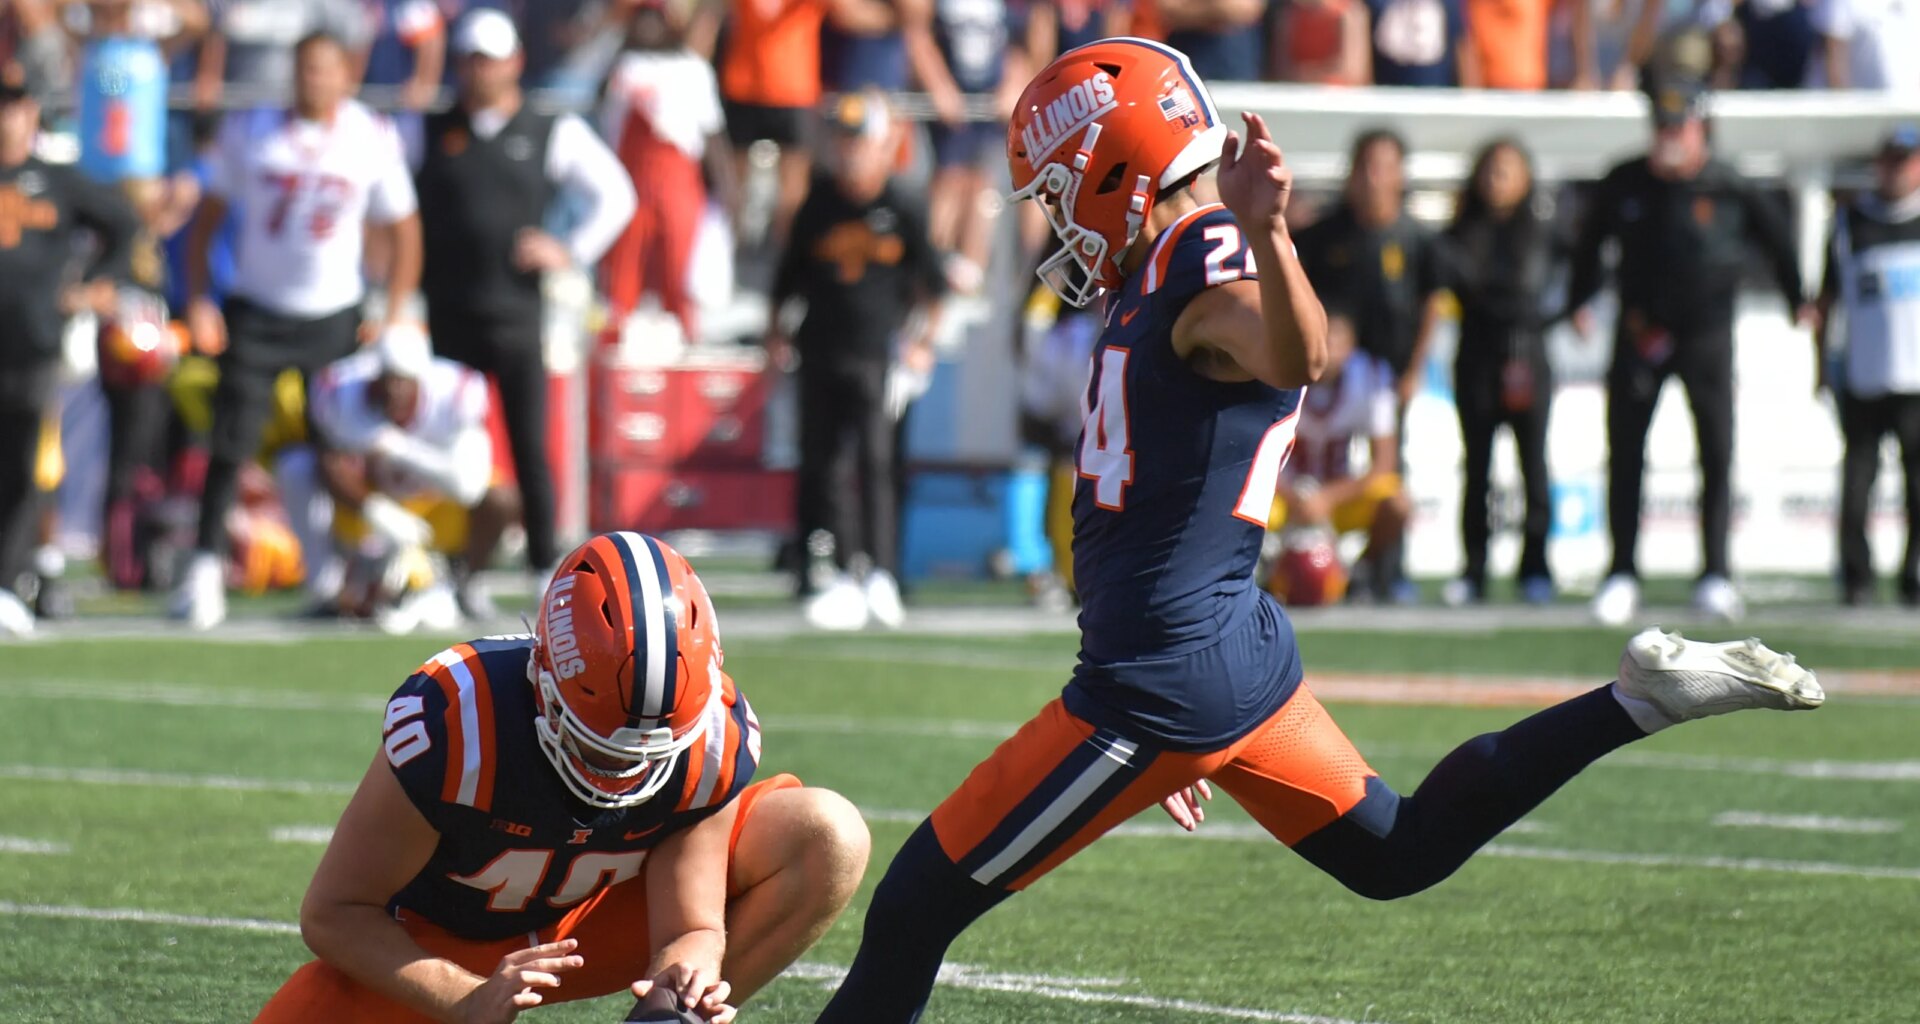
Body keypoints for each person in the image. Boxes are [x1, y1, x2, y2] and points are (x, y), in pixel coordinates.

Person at [810, 39, 1828, 1024]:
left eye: (1059, 189)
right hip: (1217, 655)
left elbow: (1292, 353)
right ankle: (1638, 700)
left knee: (912, 906)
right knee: (1399, 852)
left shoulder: (1204, 253)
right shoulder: (1164, 263)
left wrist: (1270, 234)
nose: (1055, 218)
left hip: (1158, 679)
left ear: (1114, 163)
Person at [251, 530, 871, 1022]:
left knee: (827, 834)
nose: (625, 770)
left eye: (653, 753)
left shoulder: (712, 738)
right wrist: (462, 996)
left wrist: (684, 982)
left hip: (596, 923)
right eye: (598, 747)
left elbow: (691, 925)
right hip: (437, 947)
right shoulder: (462, 720)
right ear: (542, 679)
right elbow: (335, 912)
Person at [169, 30, 423, 630]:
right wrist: (201, 299)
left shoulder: (370, 134)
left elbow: (405, 229)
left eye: (326, 69)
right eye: (306, 69)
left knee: (335, 453)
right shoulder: (251, 129)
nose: (315, 80)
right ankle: (204, 570)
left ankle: (349, 570)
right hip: (258, 308)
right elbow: (206, 221)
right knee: (230, 444)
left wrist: (393, 309)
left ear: (346, 75)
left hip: (334, 313)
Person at [1564, 61, 1810, 626]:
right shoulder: (1625, 181)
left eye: (1680, 127)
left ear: (1702, 129)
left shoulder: (1729, 185)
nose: (1670, 138)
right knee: (1626, 452)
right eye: (1662, 127)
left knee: (1715, 451)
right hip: (1640, 332)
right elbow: (1589, 247)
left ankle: (1716, 573)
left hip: (1707, 336)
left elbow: (1780, 241)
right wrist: (1579, 299)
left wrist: (1799, 297)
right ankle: (1621, 572)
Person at [417, 8, 635, 583]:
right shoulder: (430, 130)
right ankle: (454, 568)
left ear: (514, 62)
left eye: (489, 60)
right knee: (450, 450)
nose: (479, 72)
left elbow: (616, 194)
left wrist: (568, 249)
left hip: (515, 311)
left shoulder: (547, 129)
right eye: (470, 60)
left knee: (529, 446)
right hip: (448, 311)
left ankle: (544, 567)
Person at [767, 92, 946, 632]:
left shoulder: (903, 204)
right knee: (824, 464)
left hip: (878, 355)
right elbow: (786, 280)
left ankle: (882, 572)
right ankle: (843, 569)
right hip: (820, 349)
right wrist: (774, 334)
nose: (849, 152)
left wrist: (923, 342)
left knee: (877, 463)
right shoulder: (818, 203)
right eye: (842, 140)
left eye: (858, 141)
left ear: (882, 146)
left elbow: (933, 285)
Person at [0, 70, 141, 636]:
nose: (5, 118)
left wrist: (97, 283)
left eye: (13, 106)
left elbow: (125, 224)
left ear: (31, 114)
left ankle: (11, 581)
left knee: (23, 465)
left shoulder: (56, 180)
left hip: (32, 344)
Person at [308, 323, 520, 628]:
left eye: (402, 382)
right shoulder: (342, 392)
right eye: (387, 381)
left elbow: (468, 485)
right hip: (374, 509)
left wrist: (400, 450)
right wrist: (378, 511)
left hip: (438, 505)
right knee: (296, 466)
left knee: (501, 498)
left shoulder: (455, 394)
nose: (393, 391)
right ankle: (326, 588)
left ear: (421, 380)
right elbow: (329, 464)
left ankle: (467, 583)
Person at [1442, 138, 1557, 606]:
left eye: (1507, 170)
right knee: (1477, 466)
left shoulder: (1544, 230)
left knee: (1534, 465)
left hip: (1528, 354)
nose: (1497, 180)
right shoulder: (1461, 231)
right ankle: (1474, 570)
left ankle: (1536, 568)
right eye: (1490, 170)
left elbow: (1583, 270)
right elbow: (1447, 280)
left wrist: (1557, 315)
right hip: (1478, 356)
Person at [1817, 125, 1920, 607]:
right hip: (1865, 375)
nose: (1897, 171)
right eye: (1891, 160)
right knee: (1858, 480)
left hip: (1916, 378)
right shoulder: (1850, 223)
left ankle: (1913, 573)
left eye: (1907, 160)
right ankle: (1855, 576)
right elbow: (1827, 301)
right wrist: (1820, 365)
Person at [599, 0, 732, 344]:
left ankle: (686, 342)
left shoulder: (694, 69)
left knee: (679, 268)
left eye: (654, 19)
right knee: (623, 273)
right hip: (629, 184)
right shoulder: (624, 67)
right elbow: (608, 126)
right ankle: (617, 343)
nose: (647, 27)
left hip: (678, 181)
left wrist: (729, 189)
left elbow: (712, 134)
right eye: (641, 19)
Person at [1270, 314, 1409, 599]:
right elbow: (1252, 455)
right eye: (1321, 339)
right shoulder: (1276, 368)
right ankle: (1260, 572)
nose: (1327, 349)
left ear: (1350, 347)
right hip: (1283, 495)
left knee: (1397, 503)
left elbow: (1383, 464)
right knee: (1235, 501)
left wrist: (1327, 498)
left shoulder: (1370, 376)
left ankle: (1359, 573)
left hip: (1338, 498)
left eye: (1335, 341)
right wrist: (1294, 497)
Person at [1271, 0, 1371, 85]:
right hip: (1297, 92)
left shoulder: (1351, 13)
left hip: (1340, 95)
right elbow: (1281, 73)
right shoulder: (1287, 14)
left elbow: (1356, 75)